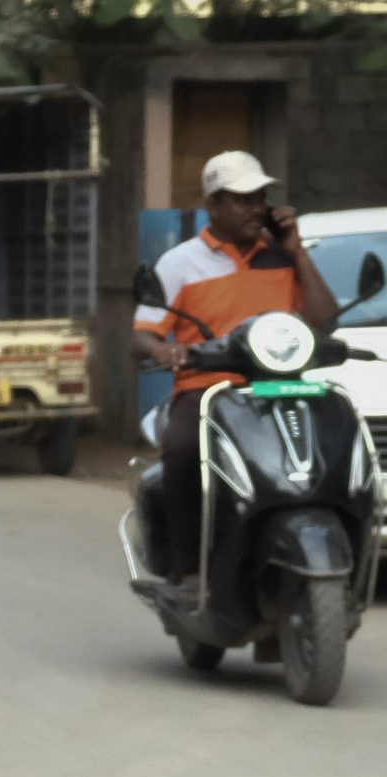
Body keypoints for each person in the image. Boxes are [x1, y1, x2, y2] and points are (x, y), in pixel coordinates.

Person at [132, 149, 339, 593]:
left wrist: (297, 251)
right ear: (213, 206)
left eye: (260, 198)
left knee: (332, 439)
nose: (255, 207)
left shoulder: (282, 257)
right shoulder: (179, 262)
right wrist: (168, 353)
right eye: (242, 199)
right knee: (182, 450)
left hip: (279, 387)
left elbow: (322, 319)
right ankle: (187, 564)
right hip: (207, 392)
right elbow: (143, 336)